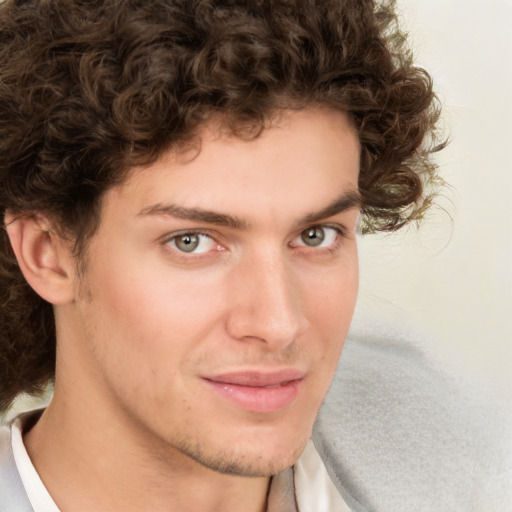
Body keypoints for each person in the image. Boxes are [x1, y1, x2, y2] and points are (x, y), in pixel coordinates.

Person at [3, 1, 507, 511]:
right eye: (191, 242)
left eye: (316, 236)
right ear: (48, 254)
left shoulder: (473, 464)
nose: (278, 323)